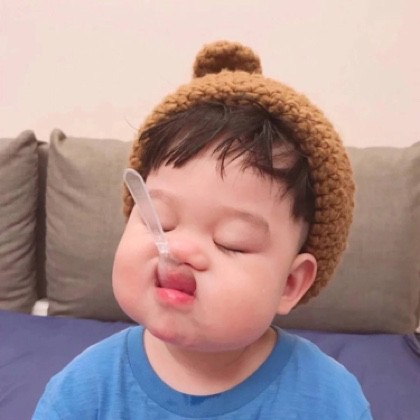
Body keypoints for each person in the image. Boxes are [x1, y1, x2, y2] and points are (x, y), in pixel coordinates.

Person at [33, 41, 372, 419]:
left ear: (291, 284)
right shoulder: (85, 390)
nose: (180, 249)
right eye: (161, 220)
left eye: (232, 242)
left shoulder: (327, 399)